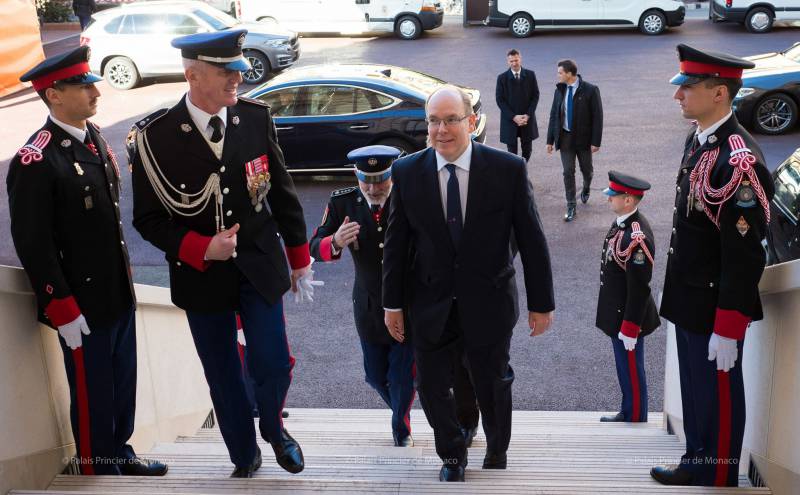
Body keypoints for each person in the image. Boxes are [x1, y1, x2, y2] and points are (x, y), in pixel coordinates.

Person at [129, 30, 317, 478]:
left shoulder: (254, 117)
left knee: (272, 361)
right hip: (201, 275)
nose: (239, 76)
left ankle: (275, 430)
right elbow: (148, 219)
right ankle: (243, 453)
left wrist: (299, 258)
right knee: (223, 374)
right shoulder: (154, 138)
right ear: (192, 75)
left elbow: (283, 194)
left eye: (237, 68)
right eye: (225, 70)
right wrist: (202, 247)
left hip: (259, 262)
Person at [382, 86, 555, 482]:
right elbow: (396, 245)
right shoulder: (407, 172)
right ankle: (453, 454)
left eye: (451, 120)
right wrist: (392, 304)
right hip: (429, 302)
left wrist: (541, 303)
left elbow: (532, 239)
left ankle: (496, 448)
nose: (441, 130)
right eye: (433, 121)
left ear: (471, 122)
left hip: (489, 299)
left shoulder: (507, 169)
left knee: (492, 382)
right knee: (430, 384)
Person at [8, 46, 166, 477]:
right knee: (92, 392)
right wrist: (61, 305)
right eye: (81, 85)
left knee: (121, 385)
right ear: (53, 94)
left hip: (116, 292)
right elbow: (33, 241)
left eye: (91, 82)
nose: (94, 90)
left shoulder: (92, 135)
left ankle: (120, 452)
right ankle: (99, 471)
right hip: (80, 304)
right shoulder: (36, 159)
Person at [651, 44, 774, 487]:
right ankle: (695, 459)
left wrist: (729, 324)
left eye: (688, 87)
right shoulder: (701, 138)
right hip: (690, 296)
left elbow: (744, 252)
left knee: (718, 393)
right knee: (697, 391)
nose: (678, 96)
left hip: (714, 306)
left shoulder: (737, 161)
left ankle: (718, 474)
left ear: (719, 93)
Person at [309, 145, 417, 447]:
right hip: (368, 306)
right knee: (374, 375)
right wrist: (335, 241)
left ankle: (401, 429)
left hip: (407, 304)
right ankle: (407, 402)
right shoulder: (342, 202)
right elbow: (313, 246)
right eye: (365, 180)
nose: (372, 187)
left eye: (380, 179)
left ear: (392, 175)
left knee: (401, 377)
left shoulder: (409, 197)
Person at [595, 171, 660, 424]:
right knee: (624, 368)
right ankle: (628, 410)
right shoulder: (623, 223)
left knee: (632, 369)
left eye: (614, 196)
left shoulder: (637, 236)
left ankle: (635, 417)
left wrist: (631, 326)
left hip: (628, 318)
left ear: (629, 200)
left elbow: (640, 286)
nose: (609, 199)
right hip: (619, 315)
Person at [545, 59, 603, 222]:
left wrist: (595, 141)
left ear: (570, 74)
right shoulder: (559, 90)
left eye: (560, 72)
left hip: (584, 140)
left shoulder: (590, 90)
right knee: (568, 171)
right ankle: (571, 205)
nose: (558, 75)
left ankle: (586, 187)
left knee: (587, 170)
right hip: (565, 138)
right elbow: (553, 116)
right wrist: (550, 140)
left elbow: (598, 117)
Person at [495, 48, 539, 163]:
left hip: (526, 120)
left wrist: (528, 115)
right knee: (511, 152)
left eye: (516, 60)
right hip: (510, 121)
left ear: (520, 59)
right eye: (511, 61)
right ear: (507, 62)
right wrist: (514, 117)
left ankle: (523, 168)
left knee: (527, 150)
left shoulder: (530, 75)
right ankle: (515, 172)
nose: (514, 63)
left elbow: (535, 96)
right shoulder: (502, 78)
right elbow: (500, 100)